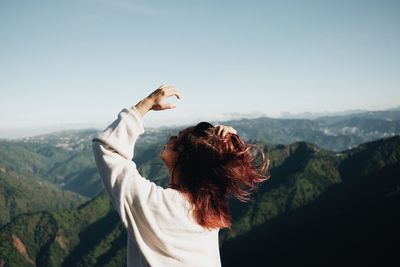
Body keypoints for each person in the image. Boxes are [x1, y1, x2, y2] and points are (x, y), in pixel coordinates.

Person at [92, 85, 270, 267]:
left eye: (178, 138)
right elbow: (217, 172)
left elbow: (107, 149)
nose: (170, 139)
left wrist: (146, 104)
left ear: (186, 158)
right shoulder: (210, 209)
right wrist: (225, 144)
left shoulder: (158, 205)